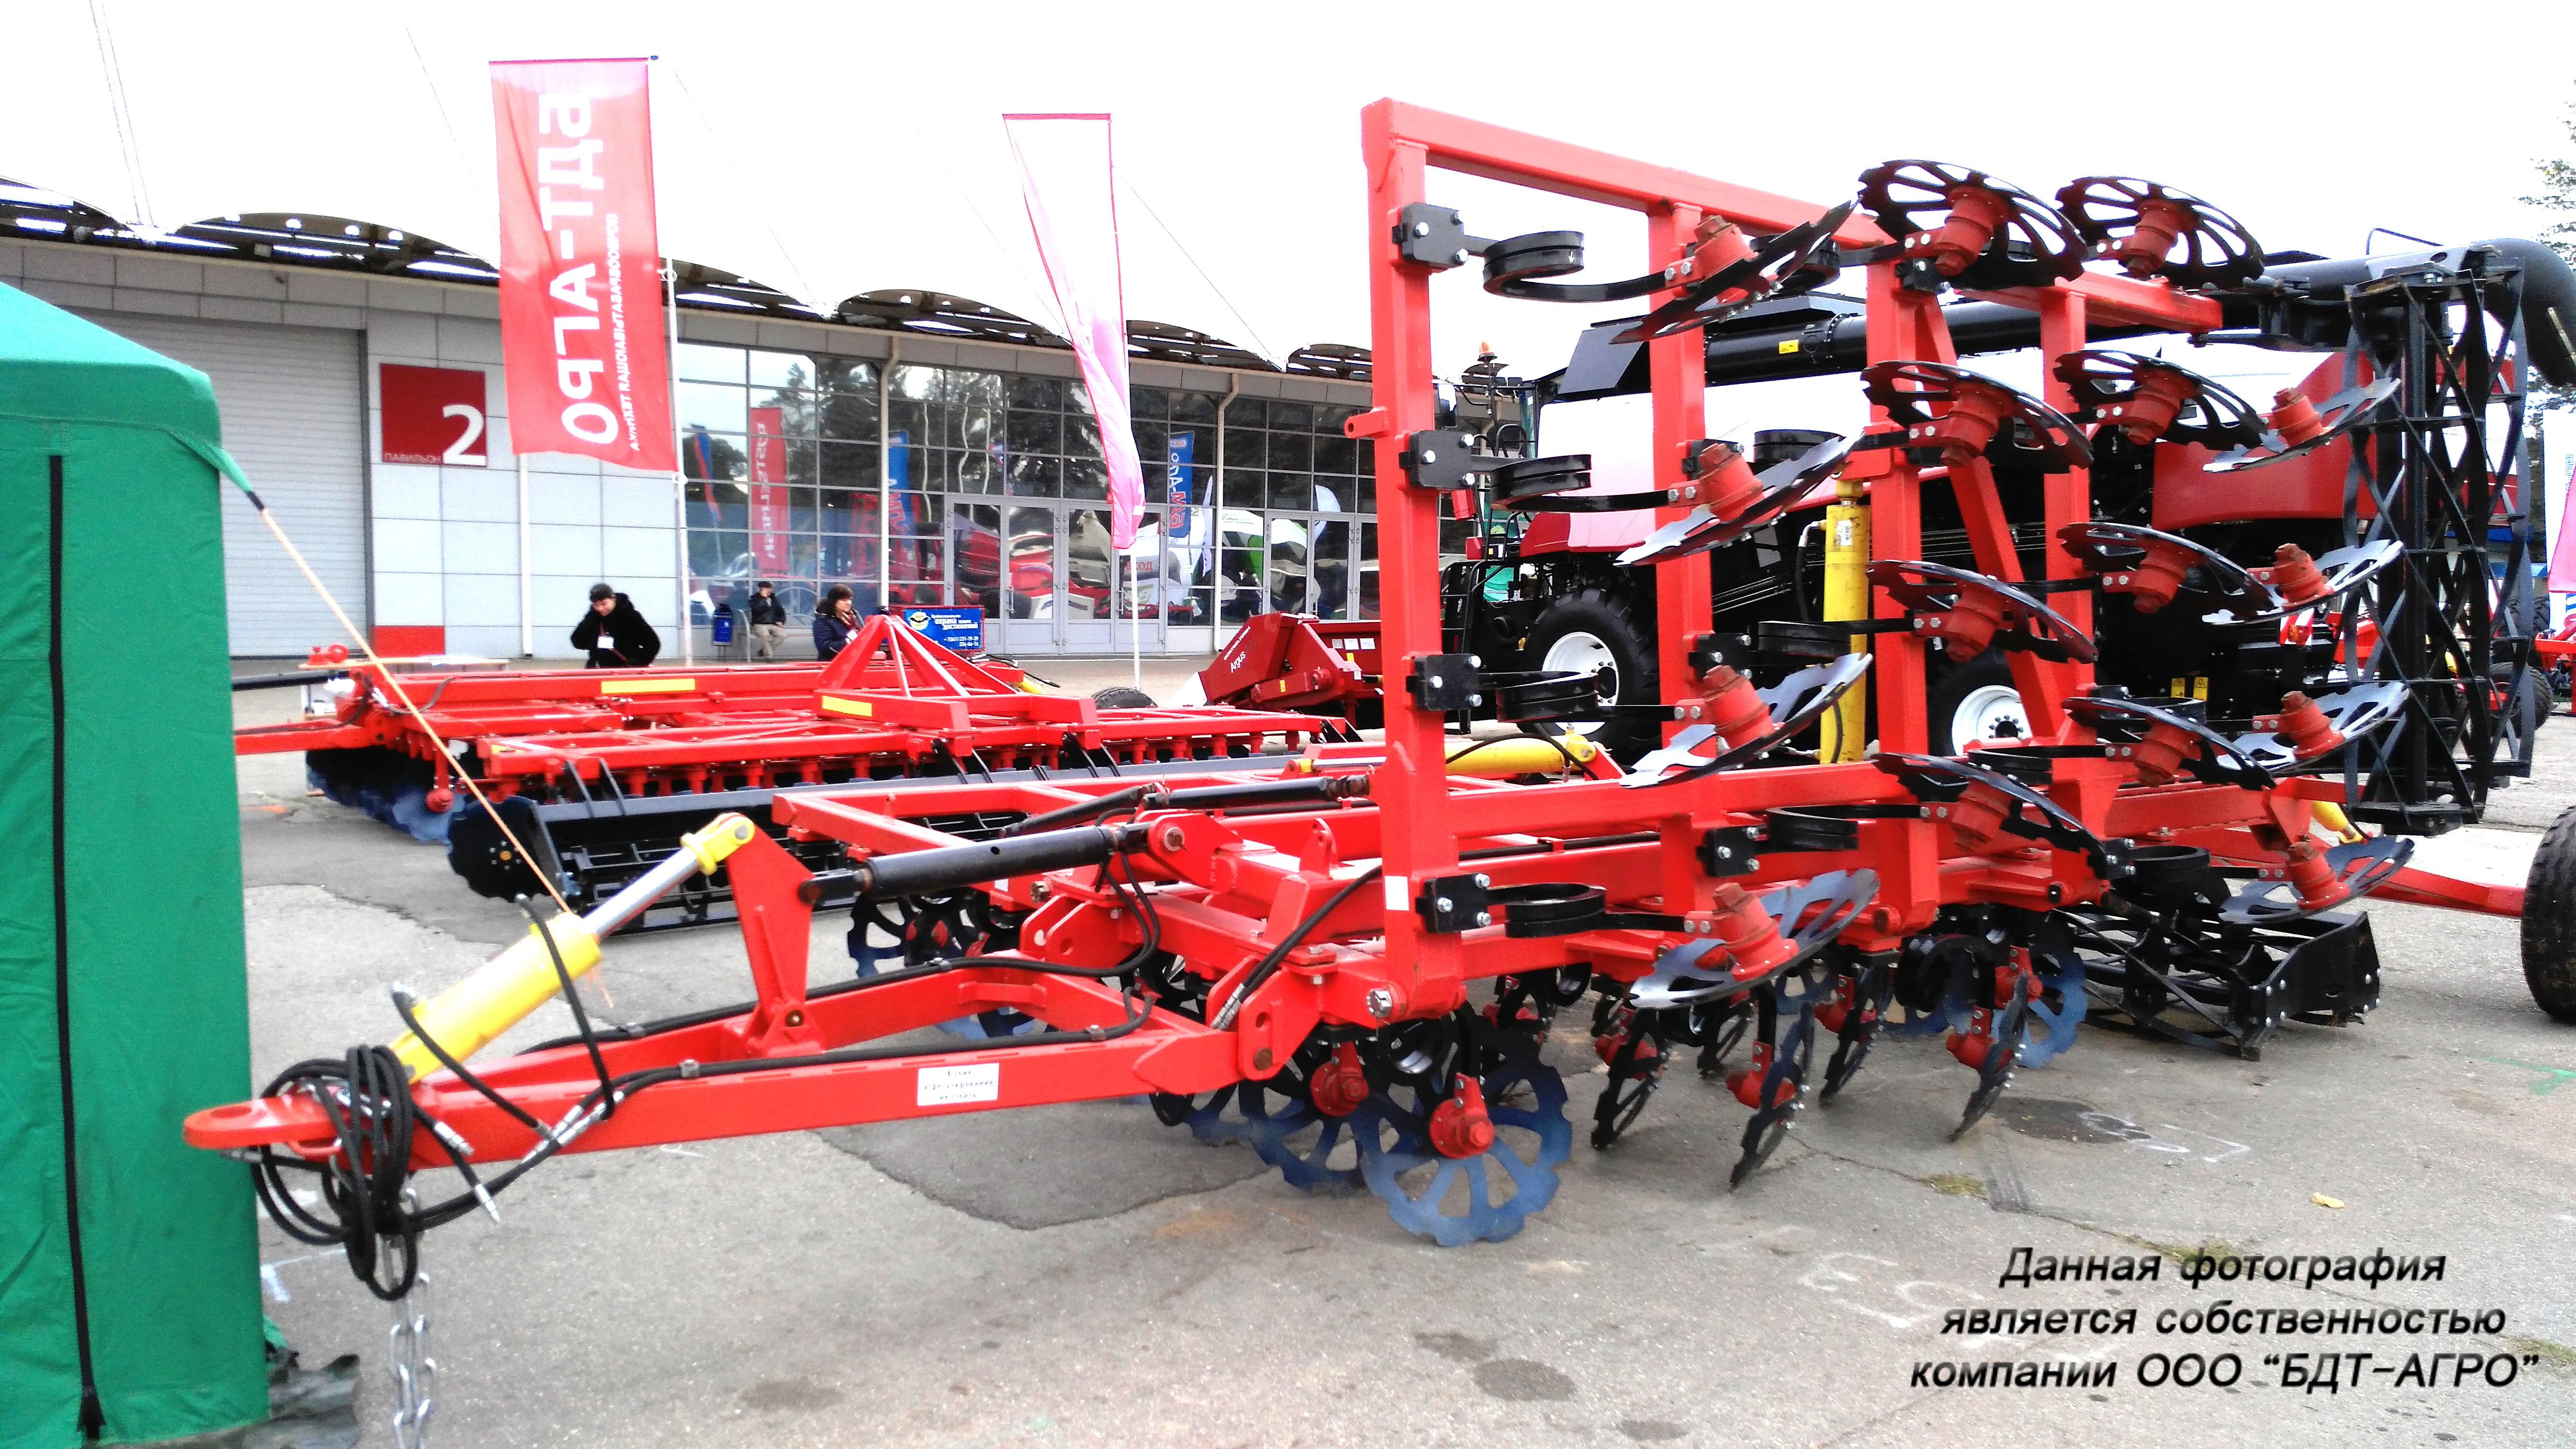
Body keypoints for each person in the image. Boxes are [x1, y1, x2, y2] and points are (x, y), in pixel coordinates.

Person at [572, 583, 661, 668]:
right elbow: (578, 641)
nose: (600, 608)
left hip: (624, 671)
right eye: (596, 605)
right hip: (597, 668)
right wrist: (594, 639)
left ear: (613, 599)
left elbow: (653, 643)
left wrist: (639, 662)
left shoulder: (630, 616)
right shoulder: (592, 618)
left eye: (604, 604)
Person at [745, 580, 790, 660]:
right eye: (766, 588)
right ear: (761, 590)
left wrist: (781, 621)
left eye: (770, 588)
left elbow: (781, 611)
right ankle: (769, 657)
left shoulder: (774, 599)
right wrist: (764, 599)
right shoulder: (754, 599)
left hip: (773, 623)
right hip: (760, 624)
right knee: (765, 635)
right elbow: (758, 610)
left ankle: (764, 651)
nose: (769, 590)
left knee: (783, 635)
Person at [813, 584, 859, 660]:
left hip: (853, 661)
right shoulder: (823, 621)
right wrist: (848, 642)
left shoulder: (853, 617)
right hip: (833, 664)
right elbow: (825, 648)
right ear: (834, 602)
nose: (849, 603)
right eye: (844, 600)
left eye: (850, 599)